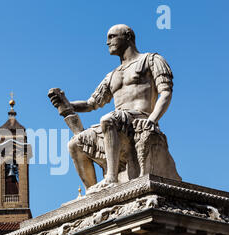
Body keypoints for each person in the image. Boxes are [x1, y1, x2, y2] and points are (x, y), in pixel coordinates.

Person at [49, 24, 174, 193]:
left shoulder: (151, 60)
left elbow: (165, 92)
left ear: (128, 36)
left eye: (112, 36)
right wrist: (67, 104)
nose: (107, 42)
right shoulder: (112, 75)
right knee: (75, 143)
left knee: (108, 119)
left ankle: (111, 178)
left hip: (140, 118)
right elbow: (91, 104)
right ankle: (91, 191)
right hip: (117, 122)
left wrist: (152, 120)